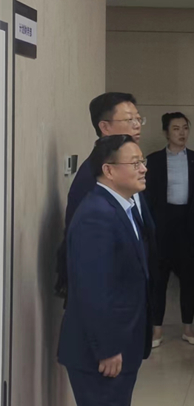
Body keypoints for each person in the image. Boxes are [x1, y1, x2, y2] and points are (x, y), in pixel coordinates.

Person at [57, 135, 152, 406]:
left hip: (121, 343)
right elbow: (92, 290)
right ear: (109, 170)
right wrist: (108, 348)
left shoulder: (122, 206)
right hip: (101, 353)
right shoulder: (97, 215)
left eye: (142, 162)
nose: (143, 169)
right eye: (134, 163)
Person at [56, 92, 156, 301]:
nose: (137, 125)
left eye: (139, 119)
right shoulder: (91, 178)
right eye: (129, 120)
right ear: (105, 127)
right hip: (110, 301)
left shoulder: (129, 170)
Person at [144, 113, 194, 347]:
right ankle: (157, 330)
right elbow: (146, 197)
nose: (182, 133)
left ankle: (188, 328)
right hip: (161, 226)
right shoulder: (153, 160)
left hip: (188, 225)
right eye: (176, 128)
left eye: (185, 128)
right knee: (158, 279)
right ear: (166, 132)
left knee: (188, 280)